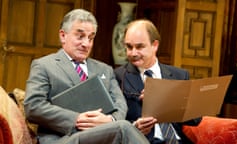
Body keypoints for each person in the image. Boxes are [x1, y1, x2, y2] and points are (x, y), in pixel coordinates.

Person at [24, 9, 150, 144]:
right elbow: (33, 106)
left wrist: (109, 120)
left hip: (104, 134)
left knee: (122, 127)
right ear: (63, 36)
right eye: (80, 36)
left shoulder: (105, 69)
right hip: (64, 138)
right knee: (124, 127)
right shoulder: (44, 66)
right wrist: (77, 119)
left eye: (91, 38)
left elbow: (120, 105)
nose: (86, 44)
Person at [114, 19, 202, 144]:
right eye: (129, 47)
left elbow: (196, 119)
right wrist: (133, 128)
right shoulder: (118, 76)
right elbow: (112, 123)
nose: (133, 53)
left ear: (155, 45)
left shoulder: (179, 75)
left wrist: (168, 101)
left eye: (139, 47)